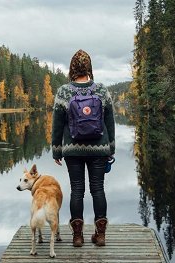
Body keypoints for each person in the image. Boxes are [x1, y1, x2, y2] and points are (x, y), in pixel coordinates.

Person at [51, 49, 115, 247]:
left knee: (77, 190)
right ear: (89, 68)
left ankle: (77, 237)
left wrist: (57, 150)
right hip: (99, 148)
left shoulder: (63, 91)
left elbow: (57, 124)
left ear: (72, 68)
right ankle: (100, 235)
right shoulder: (102, 90)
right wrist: (110, 148)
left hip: (73, 149)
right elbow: (110, 122)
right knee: (98, 189)